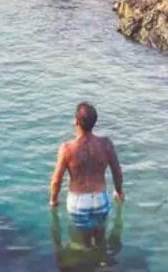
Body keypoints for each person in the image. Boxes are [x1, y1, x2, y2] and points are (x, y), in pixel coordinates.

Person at [49, 101, 124, 238]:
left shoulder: (67, 148)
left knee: (80, 244)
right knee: (100, 240)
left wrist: (53, 200)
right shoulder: (106, 144)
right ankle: (101, 257)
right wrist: (119, 192)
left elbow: (56, 180)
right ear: (94, 123)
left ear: (76, 122)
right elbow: (117, 172)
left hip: (78, 202)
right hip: (100, 199)